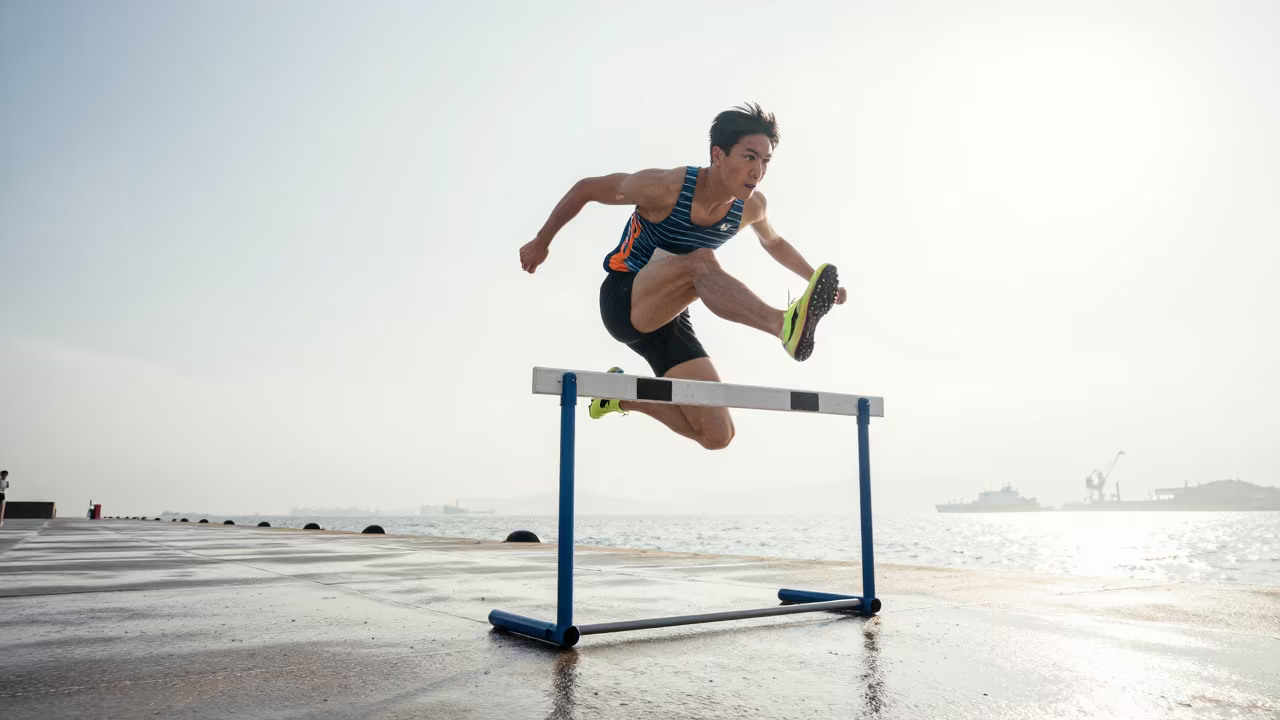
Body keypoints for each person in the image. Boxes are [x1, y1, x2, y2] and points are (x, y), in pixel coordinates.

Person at [519, 103, 846, 450]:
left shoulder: (751, 207)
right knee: (700, 260)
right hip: (624, 298)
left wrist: (815, 279)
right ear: (717, 154)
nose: (757, 171)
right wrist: (541, 243)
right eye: (749, 157)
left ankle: (617, 397)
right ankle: (784, 326)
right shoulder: (665, 187)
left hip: (670, 320)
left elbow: (774, 241)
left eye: (765, 161)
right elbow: (586, 188)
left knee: (717, 435)